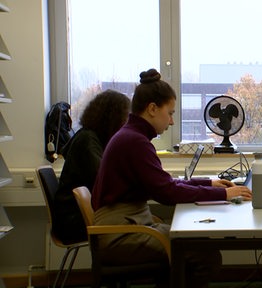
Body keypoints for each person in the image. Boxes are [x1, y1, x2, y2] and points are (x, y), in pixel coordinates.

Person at [92, 68, 252, 288]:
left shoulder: (131, 137)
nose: (171, 122)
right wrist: (224, 193)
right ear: (152, 109)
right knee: (205, 255)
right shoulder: (135, 142)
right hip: (121, 235)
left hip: (130, 226)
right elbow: (167, 193)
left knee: (198, 244)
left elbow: (165, 183)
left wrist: (208, 183)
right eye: (170, 113)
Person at [54, 90, 130, 245]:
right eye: (125, 117)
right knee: (140, 221)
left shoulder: (91, 137)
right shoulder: (87, 141)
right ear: (113, 118)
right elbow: (105, 183)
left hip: (73, 217)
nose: (126, 123)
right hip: (74, 222)